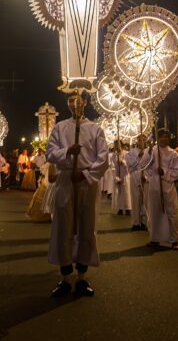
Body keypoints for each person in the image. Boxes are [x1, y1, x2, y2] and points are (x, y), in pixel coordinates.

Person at [46, 91, 108, 298]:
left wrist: (86, 174)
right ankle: (65, 276)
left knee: (86, 227)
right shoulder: (60, 127)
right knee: (64, 227)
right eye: (70, 101)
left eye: (78, 101)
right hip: (66, 181)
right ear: (68, 104)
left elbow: (103, 158)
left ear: (85, 103)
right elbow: (50, 153)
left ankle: (82, 276)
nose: (75, 104)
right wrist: (67, 153)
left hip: (87, 184)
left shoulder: (95, 129)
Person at [143, 129, 178, 250]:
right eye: (161, 137)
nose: (163, 139)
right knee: (155, 212)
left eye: (166, 137)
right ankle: (155, 238)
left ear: (168, 138)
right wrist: (148, 154)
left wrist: (164, 172)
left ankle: (174, 240)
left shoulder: (174, 154)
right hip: (154, 186)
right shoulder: (153, 151)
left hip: (168, 187)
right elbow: (144, 167)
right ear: (158, 138)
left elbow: (177, 173)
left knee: (171, 213)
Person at [125, 134, 149, 231]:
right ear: (137, 141)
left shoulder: (148, 152)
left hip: (145, 177)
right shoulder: (132, 151)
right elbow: (129, 163)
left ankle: (144, 222)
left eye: (143, 140)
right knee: (135, 200)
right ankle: (136, 222)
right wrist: (138, 157)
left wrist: (146, 175)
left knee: (145, 201)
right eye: (139, 140)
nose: (141, 142)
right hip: (135, 176)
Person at [111, 140, 131, 215]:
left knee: (126, 193)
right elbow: (113, 165)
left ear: (121, 145)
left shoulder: (126, 153)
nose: (116, 146)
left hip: (125, 175)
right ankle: (120, 208)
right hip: (118, 175)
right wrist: (116, 177)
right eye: (115, 145)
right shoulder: (114, 155)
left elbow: (129, 164)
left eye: (117, 145)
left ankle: (128, 208)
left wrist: (123, 162)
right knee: (118, 193)